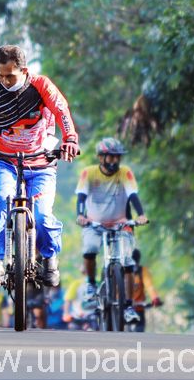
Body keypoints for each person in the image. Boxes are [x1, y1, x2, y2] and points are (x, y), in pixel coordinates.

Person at [0, 45, 80, 288]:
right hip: (3, 162)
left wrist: (70, 139)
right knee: (0, 199)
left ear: (24, 70)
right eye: (0, 74)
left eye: (10, 76)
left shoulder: (41, 85)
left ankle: (49, 257)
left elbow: (61, 110)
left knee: (42, 214)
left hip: (41, 164)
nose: (4, 81)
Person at [75, 137, 148, 324]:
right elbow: (81, 197)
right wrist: (80, 215)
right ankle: (91, 284)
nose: (115, 160)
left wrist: (141, 215)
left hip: (120, 223)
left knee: (128, 262)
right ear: (101, 157)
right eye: (111, 157)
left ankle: (129, 307)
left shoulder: (125, 173)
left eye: (118, 157)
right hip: (94, 224)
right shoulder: (88, 173)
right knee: (90, 249)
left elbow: (133, 195)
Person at [131, 248, 163, 332]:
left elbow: (149, 286)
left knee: (139, 332)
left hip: (138, 309)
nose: (134, 266)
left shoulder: (142, 271)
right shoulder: (121, 271)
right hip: (122, 310)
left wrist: (155, 298)